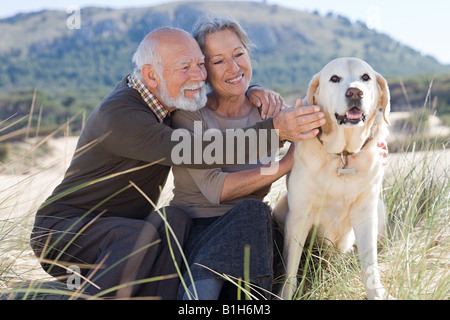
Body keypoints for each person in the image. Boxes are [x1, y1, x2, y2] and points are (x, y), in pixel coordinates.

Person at [29, 27, 326, 299]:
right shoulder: (121, 115)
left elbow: (225, 93)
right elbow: (199, 149)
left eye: (200, 64)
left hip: (121, 231)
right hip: (64, 232)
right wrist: (276, 131)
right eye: (185, 68)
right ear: (152, 75)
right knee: (137, 237)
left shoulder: (169, 102)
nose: (198, 76)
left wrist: (251, 90)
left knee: (176, 220)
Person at [169, 15, 319, 300]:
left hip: (254, 237)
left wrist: (370, 149)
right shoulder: (191, 115)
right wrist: (283, 165)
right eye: (218, 61)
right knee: (254, 210)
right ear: (204, 70)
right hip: (201, 233)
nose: (234, 67)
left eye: (238, 54)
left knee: (261, 217)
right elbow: (216, 188)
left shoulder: (269, 110)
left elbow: (320, 143)